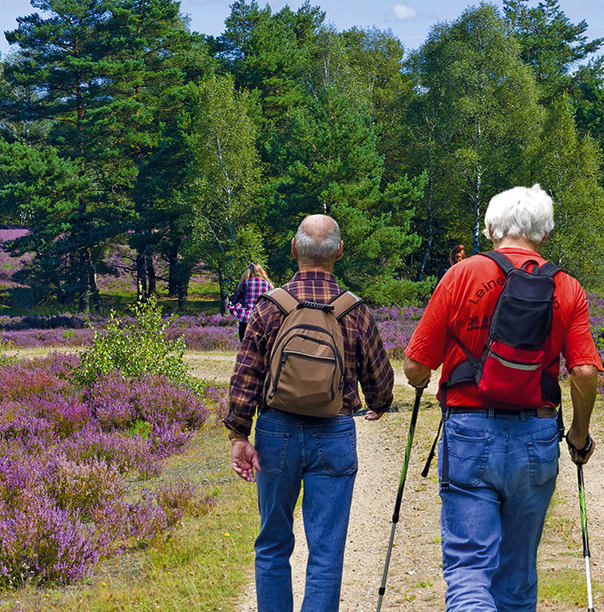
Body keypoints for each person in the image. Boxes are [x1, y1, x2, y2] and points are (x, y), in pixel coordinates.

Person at [403, 184, 601, 611]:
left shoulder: (460, 275)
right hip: (537, 434)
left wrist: (424, 378)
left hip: (469, 433)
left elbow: (417, 367)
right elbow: (584, 371)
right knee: (516, 578)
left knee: (470, 571)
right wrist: (579, 437)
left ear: (491, 229)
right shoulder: (566, 288)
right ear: (543, 235)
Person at [224, 214, 394, 612]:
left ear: (294, 249)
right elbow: (380, 381)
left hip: (275, 432)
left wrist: (238, 435)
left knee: (272, 543)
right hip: (334, 434)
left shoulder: (269, 308)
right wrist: (379, 406)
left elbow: (245, 376)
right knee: (326, 552)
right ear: (338, 251)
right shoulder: (353, 310)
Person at [228, 262, 274, 341]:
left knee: (243, 340)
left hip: (247, 318)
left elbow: (234, 300)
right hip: (262, 318)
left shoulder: (246, 283)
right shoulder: (267, 284)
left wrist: (232, 307)